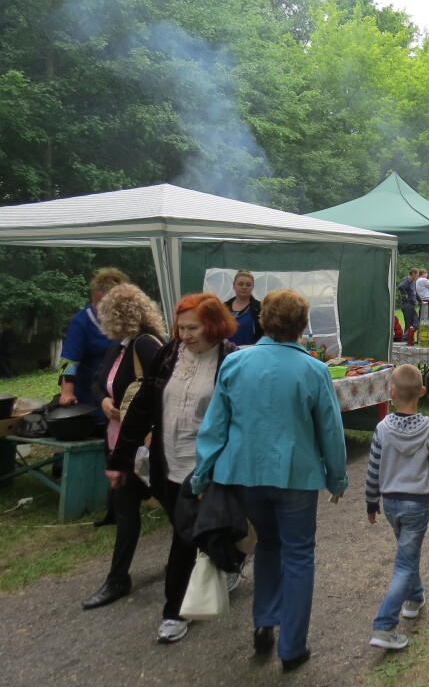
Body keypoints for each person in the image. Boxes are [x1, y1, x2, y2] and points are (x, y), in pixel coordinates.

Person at [192, 289, 348, 673]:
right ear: (303, 325)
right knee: (298, 554)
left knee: (266, 547)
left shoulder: (235, 364)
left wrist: (201, 474)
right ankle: (292, 647)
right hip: (295, 476)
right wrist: (337, 478)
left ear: (263, 321)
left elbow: (214, 427)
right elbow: (330, 429)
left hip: (244, 475)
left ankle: (264, 621)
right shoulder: (314, 369)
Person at [108, 293, 239, 643]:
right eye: (180, 328)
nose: (185, 335)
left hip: (208, 468)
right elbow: (142, 407)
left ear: (213, 325)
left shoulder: (231, 360)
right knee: (195, 531)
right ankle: (227, 559)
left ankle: (175, 612)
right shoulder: (168, 354)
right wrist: (120, 458)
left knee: (184, 537)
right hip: (167, 464)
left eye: (193, 327)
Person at [82, 283, 166, 610]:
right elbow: (96, 380)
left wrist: (147, 424)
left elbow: (163, 388)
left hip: (143, 442)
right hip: (119, 440)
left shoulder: (145, 345)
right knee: (126, 508)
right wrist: (103, 399)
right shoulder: (119, 346)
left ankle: (219, 556)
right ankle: (118, 578)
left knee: (176, 506)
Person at [365, 364, 429, 651]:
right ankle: (384, 626)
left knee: (406, 553)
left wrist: (371, 502)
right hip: (417, 504)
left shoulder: (381, 429)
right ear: (422, 392)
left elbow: (373, 469)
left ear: (390, 393)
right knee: (405, 562)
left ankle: (415, 597)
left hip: (391, 504)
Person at [58, 267, 129, 410]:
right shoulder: (81, 322)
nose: (100, 309)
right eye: (96, 304)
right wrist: (66, 393)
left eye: (105, 305)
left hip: (124, 393)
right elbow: (68, 361)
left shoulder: (130, 320)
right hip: (90, 396)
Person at [223, 270, 263, 347]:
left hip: (251, 353)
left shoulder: (260, 308)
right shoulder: (223, 308)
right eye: (240, 284)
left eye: (248, 285)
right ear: (234, 286)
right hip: (227, 354)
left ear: (253, 287)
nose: (244, 287)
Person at [397, 267, 420, 331]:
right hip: (407, 305)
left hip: (411, 305)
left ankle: (407, 338)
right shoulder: (407, 281)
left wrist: (421, 301)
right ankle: (405, 338)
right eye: (417, 275)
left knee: (415, 323)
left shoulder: (412, 282)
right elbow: (401, 286)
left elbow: (415, 293)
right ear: (413, 274)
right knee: (410, 324)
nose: (417, 277)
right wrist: (405, 294)